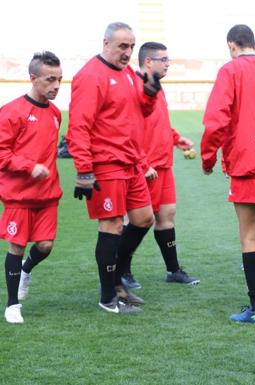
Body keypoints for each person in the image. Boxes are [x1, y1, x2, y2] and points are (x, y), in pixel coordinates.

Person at [66, 22, 163, 314]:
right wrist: (84, 169)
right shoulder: (90, 76)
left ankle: (117, 278)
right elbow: (79, 126)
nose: (128, 52)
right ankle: (108, 296)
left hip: (131, 162)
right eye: (123, 46)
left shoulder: (131, 76)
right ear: (106, 43)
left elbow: (140, 113)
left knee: (145, 218)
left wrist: (149, 93)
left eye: (132, 46)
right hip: (106, 164)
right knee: (112, 224)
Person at [201, 24, 255, 324]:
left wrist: (207, 156)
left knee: (249, 237)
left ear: (231, 45)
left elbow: (217, 118)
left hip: (246, 161)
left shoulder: (231, 70)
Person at [117, 42, 200, 289]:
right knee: (138, 220)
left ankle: (173, 270)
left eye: (168, 58)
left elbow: (159, 123)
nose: (168, 63)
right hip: (144, 167)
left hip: (163, 165)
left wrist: (176, 139)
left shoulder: (156, 87)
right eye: (163, 59)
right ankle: (122, 271)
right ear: (148, 62)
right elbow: (128, 130)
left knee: (167, 215)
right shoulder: (135, 86)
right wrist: (142, 164)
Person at [0, 52, 63, 323]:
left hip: (48, 194)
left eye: (60, 79)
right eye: (50, 79)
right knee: (17, 246)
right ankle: (13, 305)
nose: (57, 85)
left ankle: (27, 269)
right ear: (33, 78)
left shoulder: (56, 113)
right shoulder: (12, 111)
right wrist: (29, 166)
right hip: (19, 196)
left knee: (46, 246)